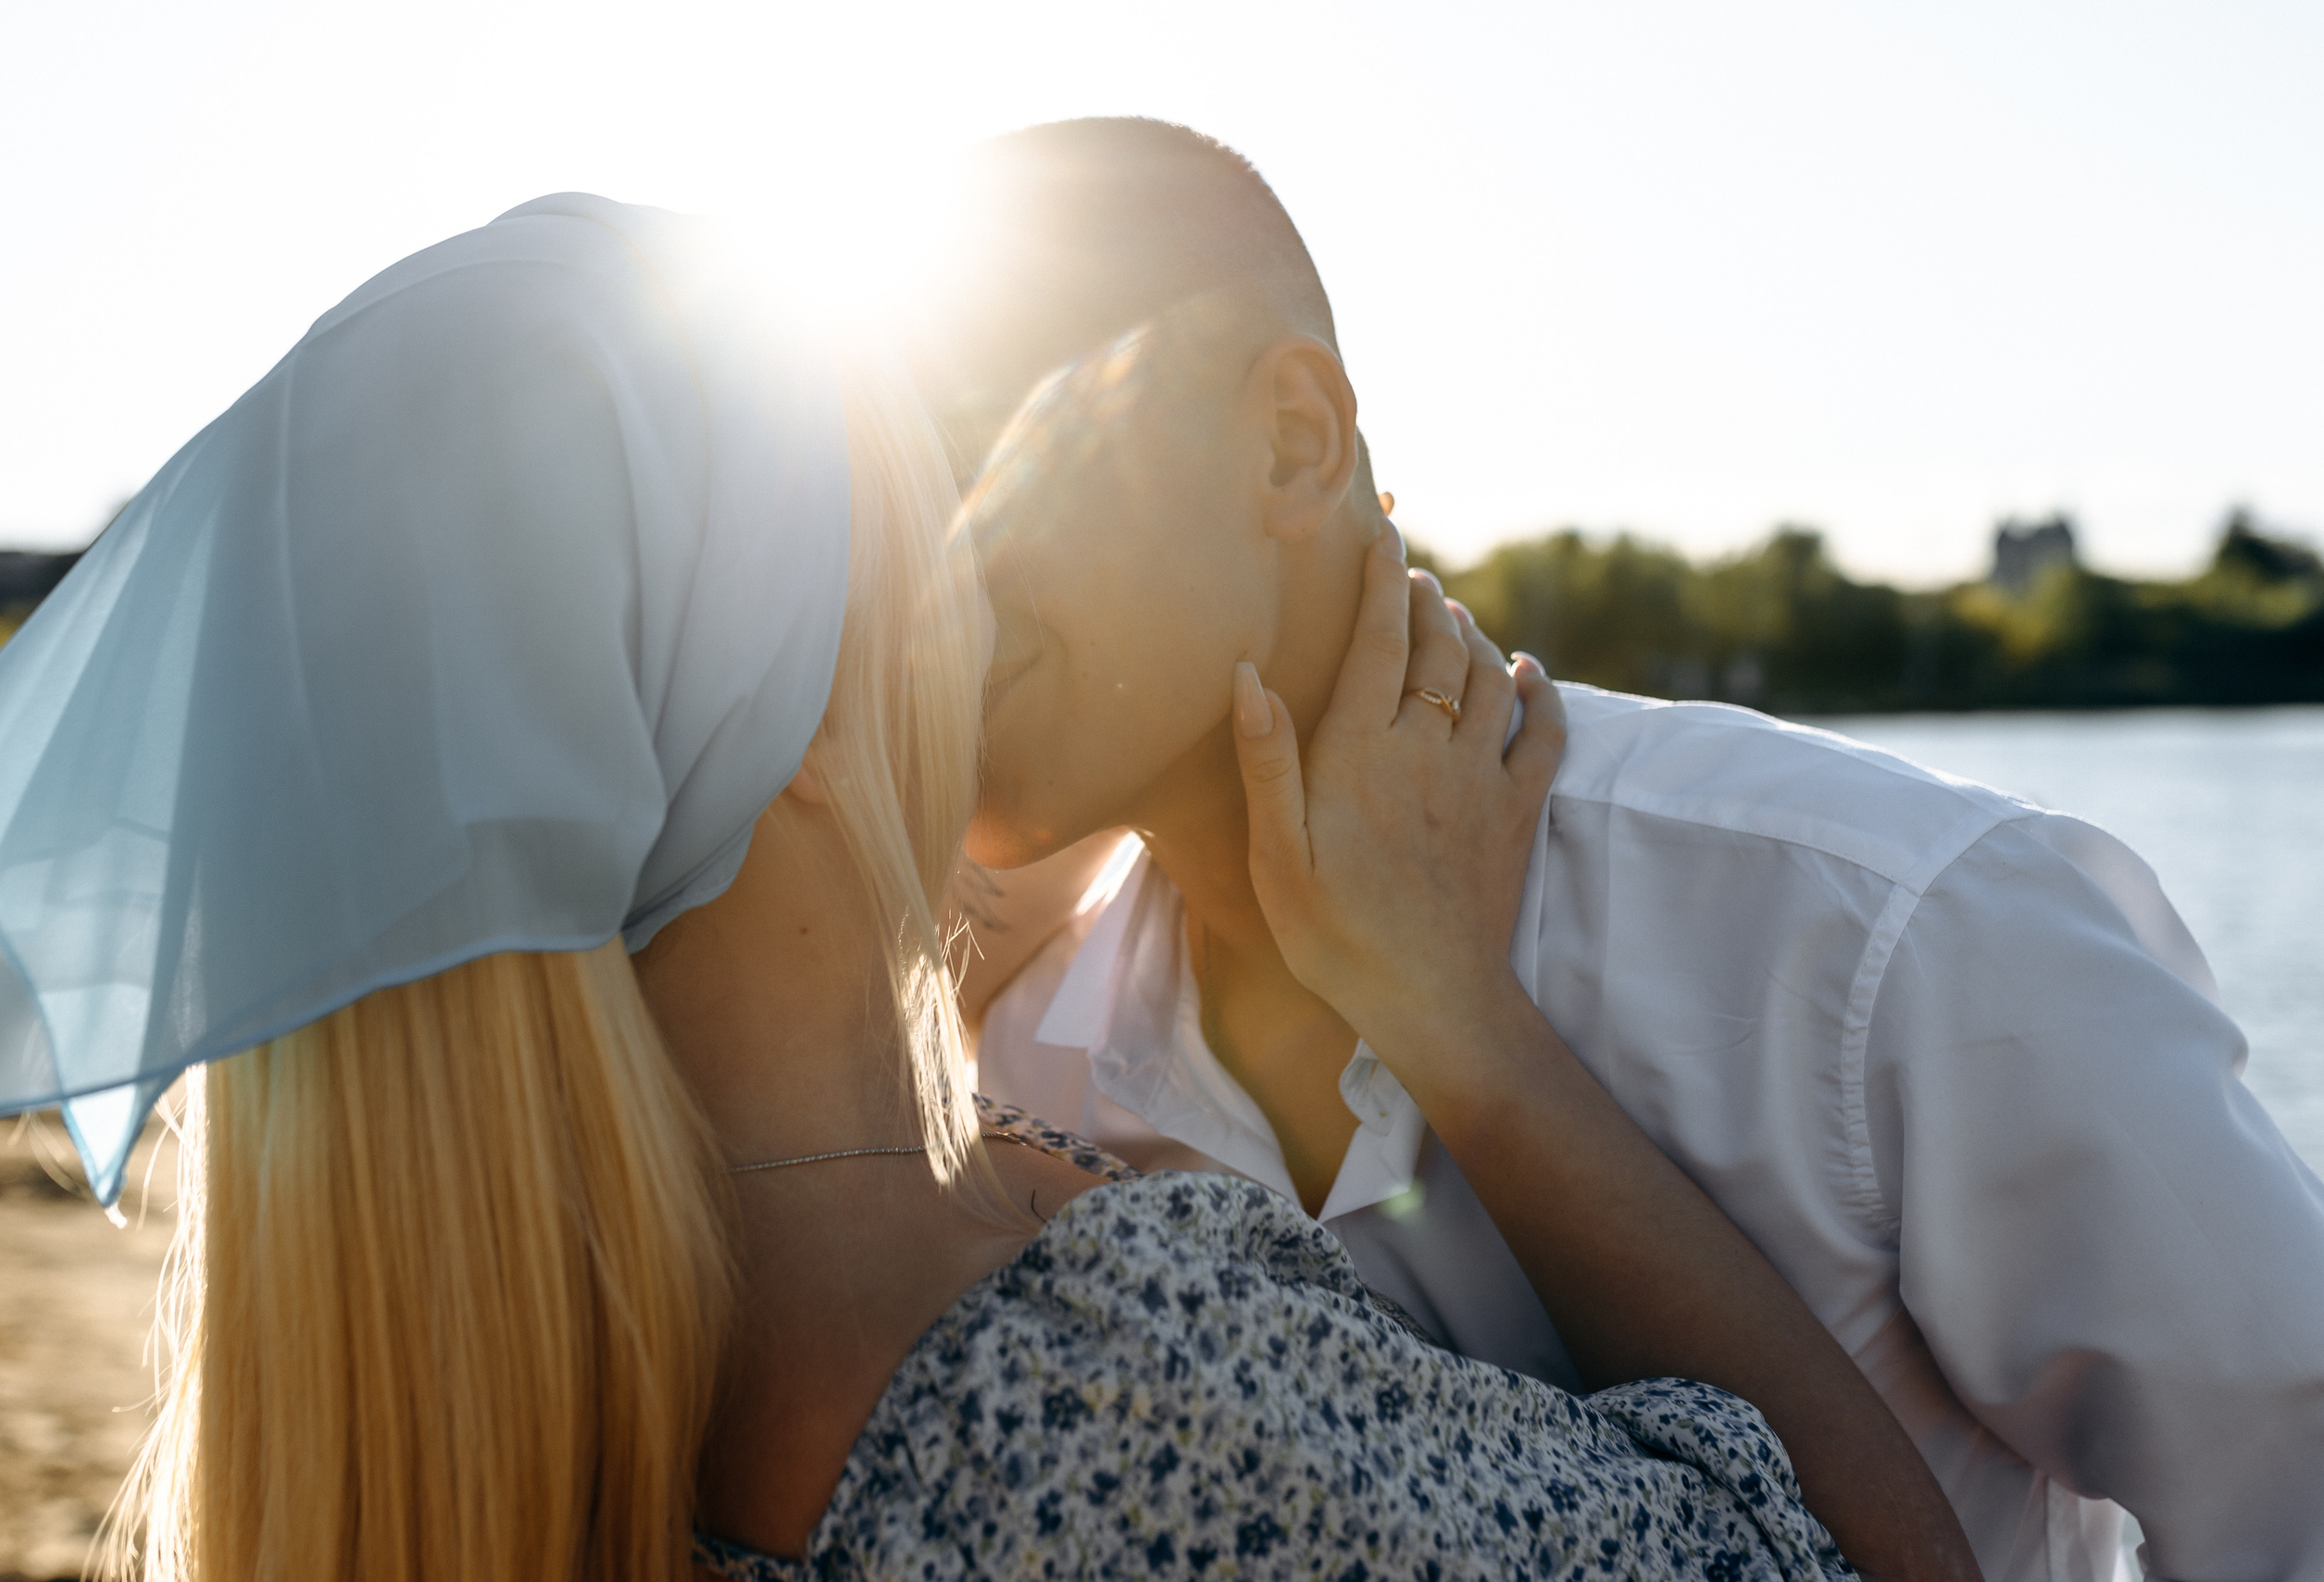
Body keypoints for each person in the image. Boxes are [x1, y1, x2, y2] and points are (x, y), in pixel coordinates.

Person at [0, 193, 1962, 1580]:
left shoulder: (444, 1405)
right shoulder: (1085, 1413)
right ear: (792, 699)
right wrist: (1466, 1028)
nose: (976, 594)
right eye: (915, 531)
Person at [915, 119, 2324, 1582]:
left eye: (974, 457)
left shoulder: (1882, 937)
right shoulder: (1018, 1088)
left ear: (1293, 442)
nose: (902, 579)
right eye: (876, 512)